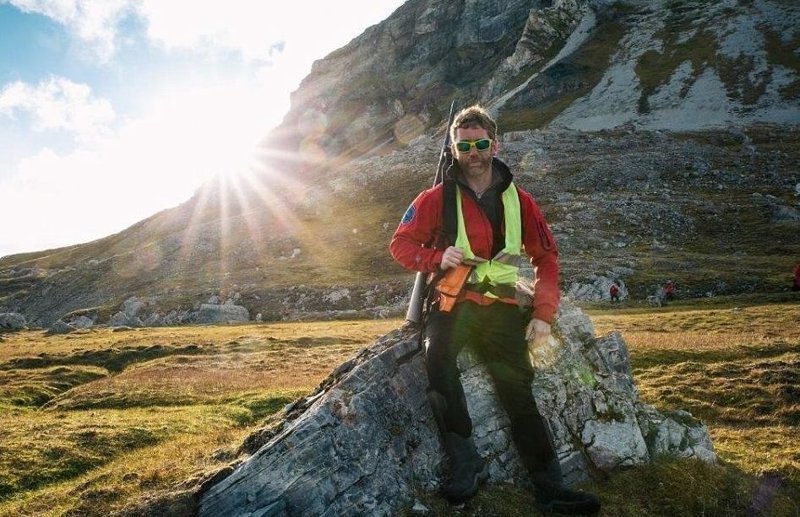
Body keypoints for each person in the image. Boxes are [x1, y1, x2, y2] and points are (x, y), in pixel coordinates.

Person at [390, 105, 600, 514]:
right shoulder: (433, 199)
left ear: (494, 145)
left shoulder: (521, 201)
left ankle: (550, 488)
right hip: (451, 305)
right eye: (464, 144)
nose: (473, 151)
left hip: (502, 308)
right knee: (438, 362)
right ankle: (467, 465)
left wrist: (542, 315)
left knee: (518, 390)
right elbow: (400, 245)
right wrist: (435, 257)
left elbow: (547, 258)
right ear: (454, 149)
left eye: (480, 143)